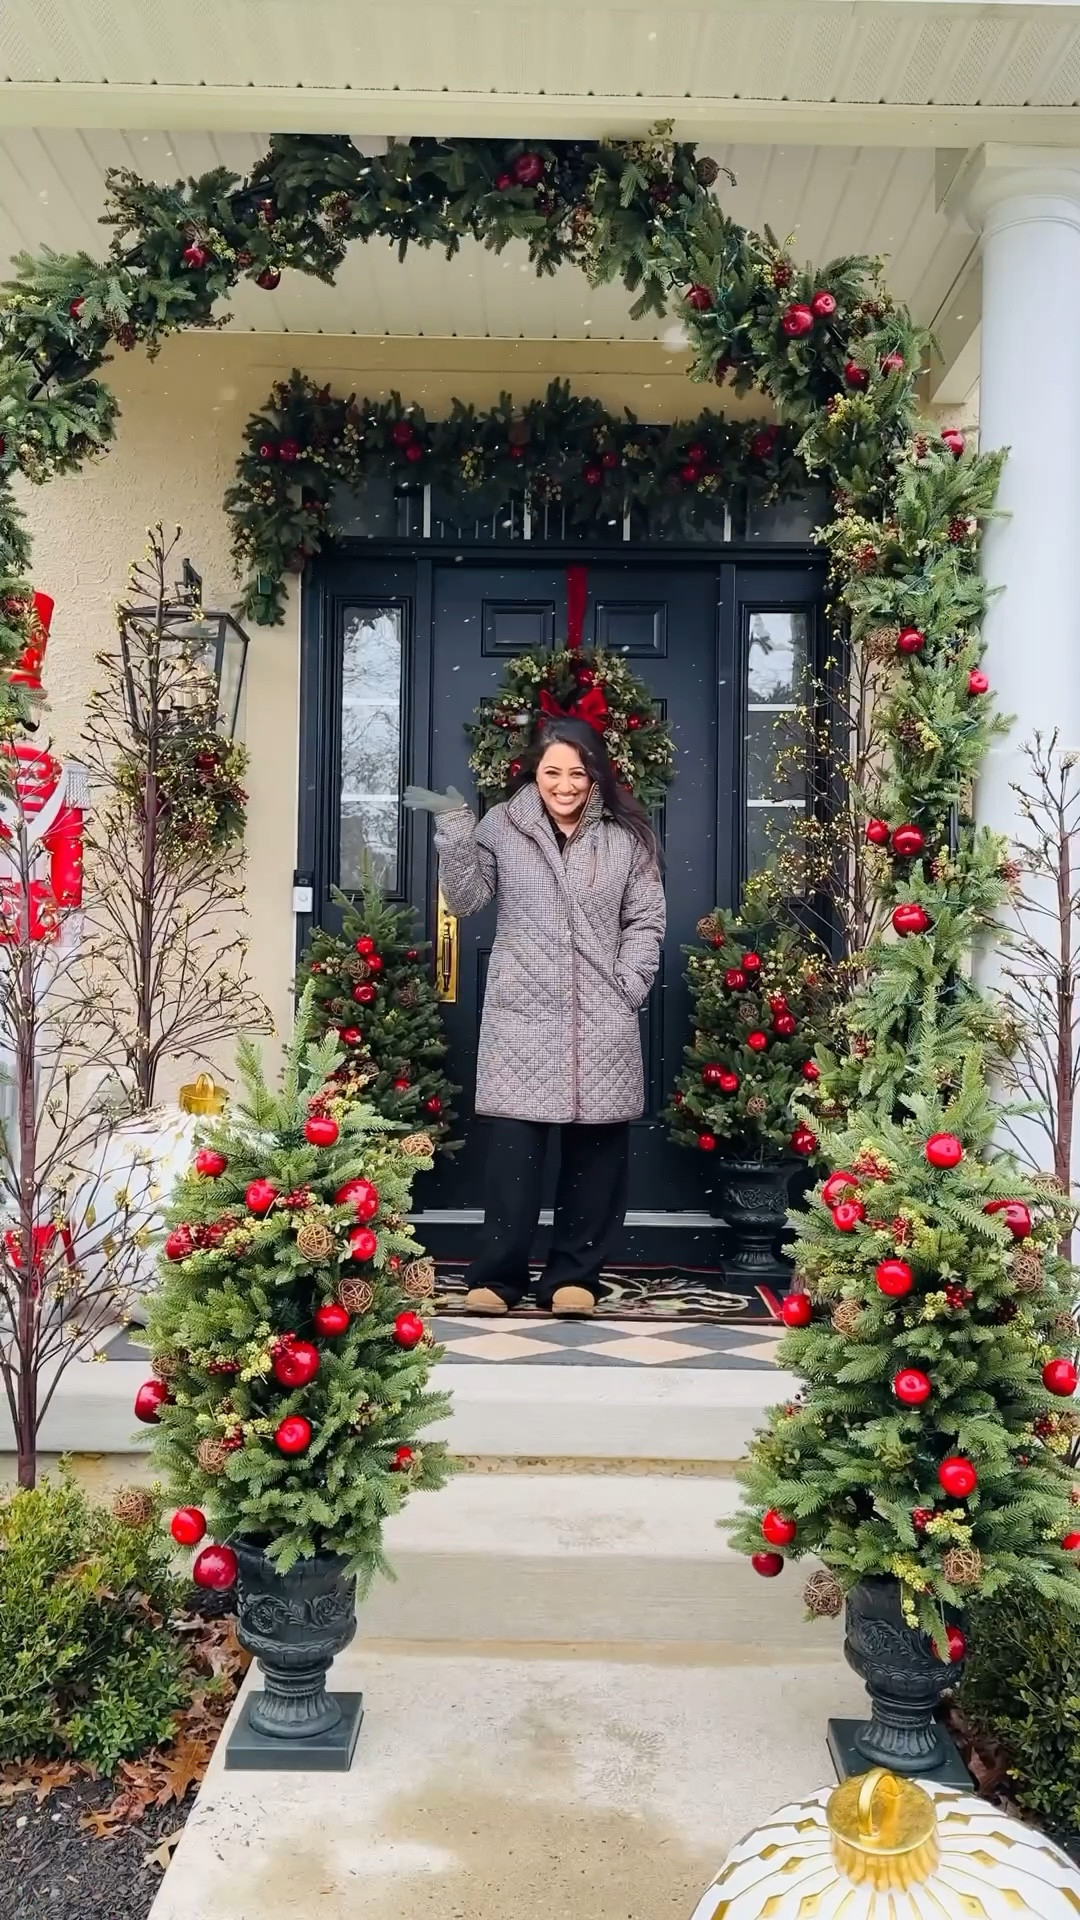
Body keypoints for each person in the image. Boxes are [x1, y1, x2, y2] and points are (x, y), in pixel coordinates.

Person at [404, 717, 665, 1316]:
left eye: (577, 772)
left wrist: (629, 985)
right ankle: (498, 1278)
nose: (565, 784)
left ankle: (576, 1277)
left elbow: (646, 920)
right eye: (553, 772)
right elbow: (468, 899)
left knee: (596, 1154)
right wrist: (454, 830)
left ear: (595, 776)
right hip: (523, 1011)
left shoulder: (624, 838)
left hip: (603, 1011)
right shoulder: (504, 824)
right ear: (535, 774)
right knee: (513, 1157)